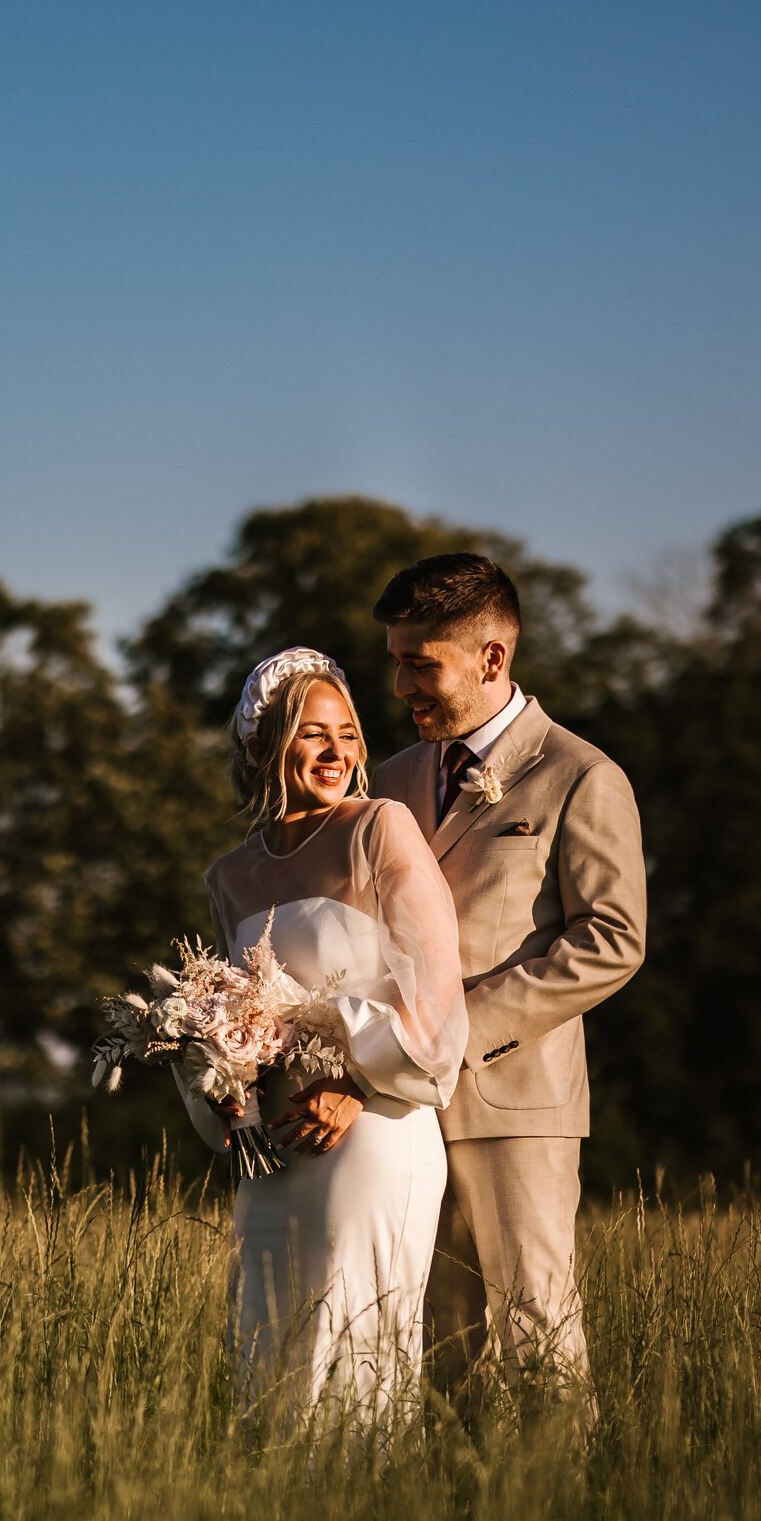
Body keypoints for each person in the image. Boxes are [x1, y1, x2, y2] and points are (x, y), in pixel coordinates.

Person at [367, 553, 646, 1403]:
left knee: (538, 1336)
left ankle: (568, 1519)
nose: (404, 684)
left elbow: (614, 939)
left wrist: (458, 1029)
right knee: (434, 1343)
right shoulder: (388, 781)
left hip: (514, 1099)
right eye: (397, 661)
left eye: (424, 663)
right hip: (400, 1109)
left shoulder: (581, 776)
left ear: (492, 657)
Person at [175, 647, 468, 1423]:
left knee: (355, 1341)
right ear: (266, 747)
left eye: (348, 732)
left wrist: (356, 1084)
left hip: (373, 1130)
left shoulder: (381, 828)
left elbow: (436, 998)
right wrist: (226, 1091)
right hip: (271, 1153)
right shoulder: (228, 876)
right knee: (268, 1341)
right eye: (313, 733)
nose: (338, 751)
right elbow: (220, 1012)